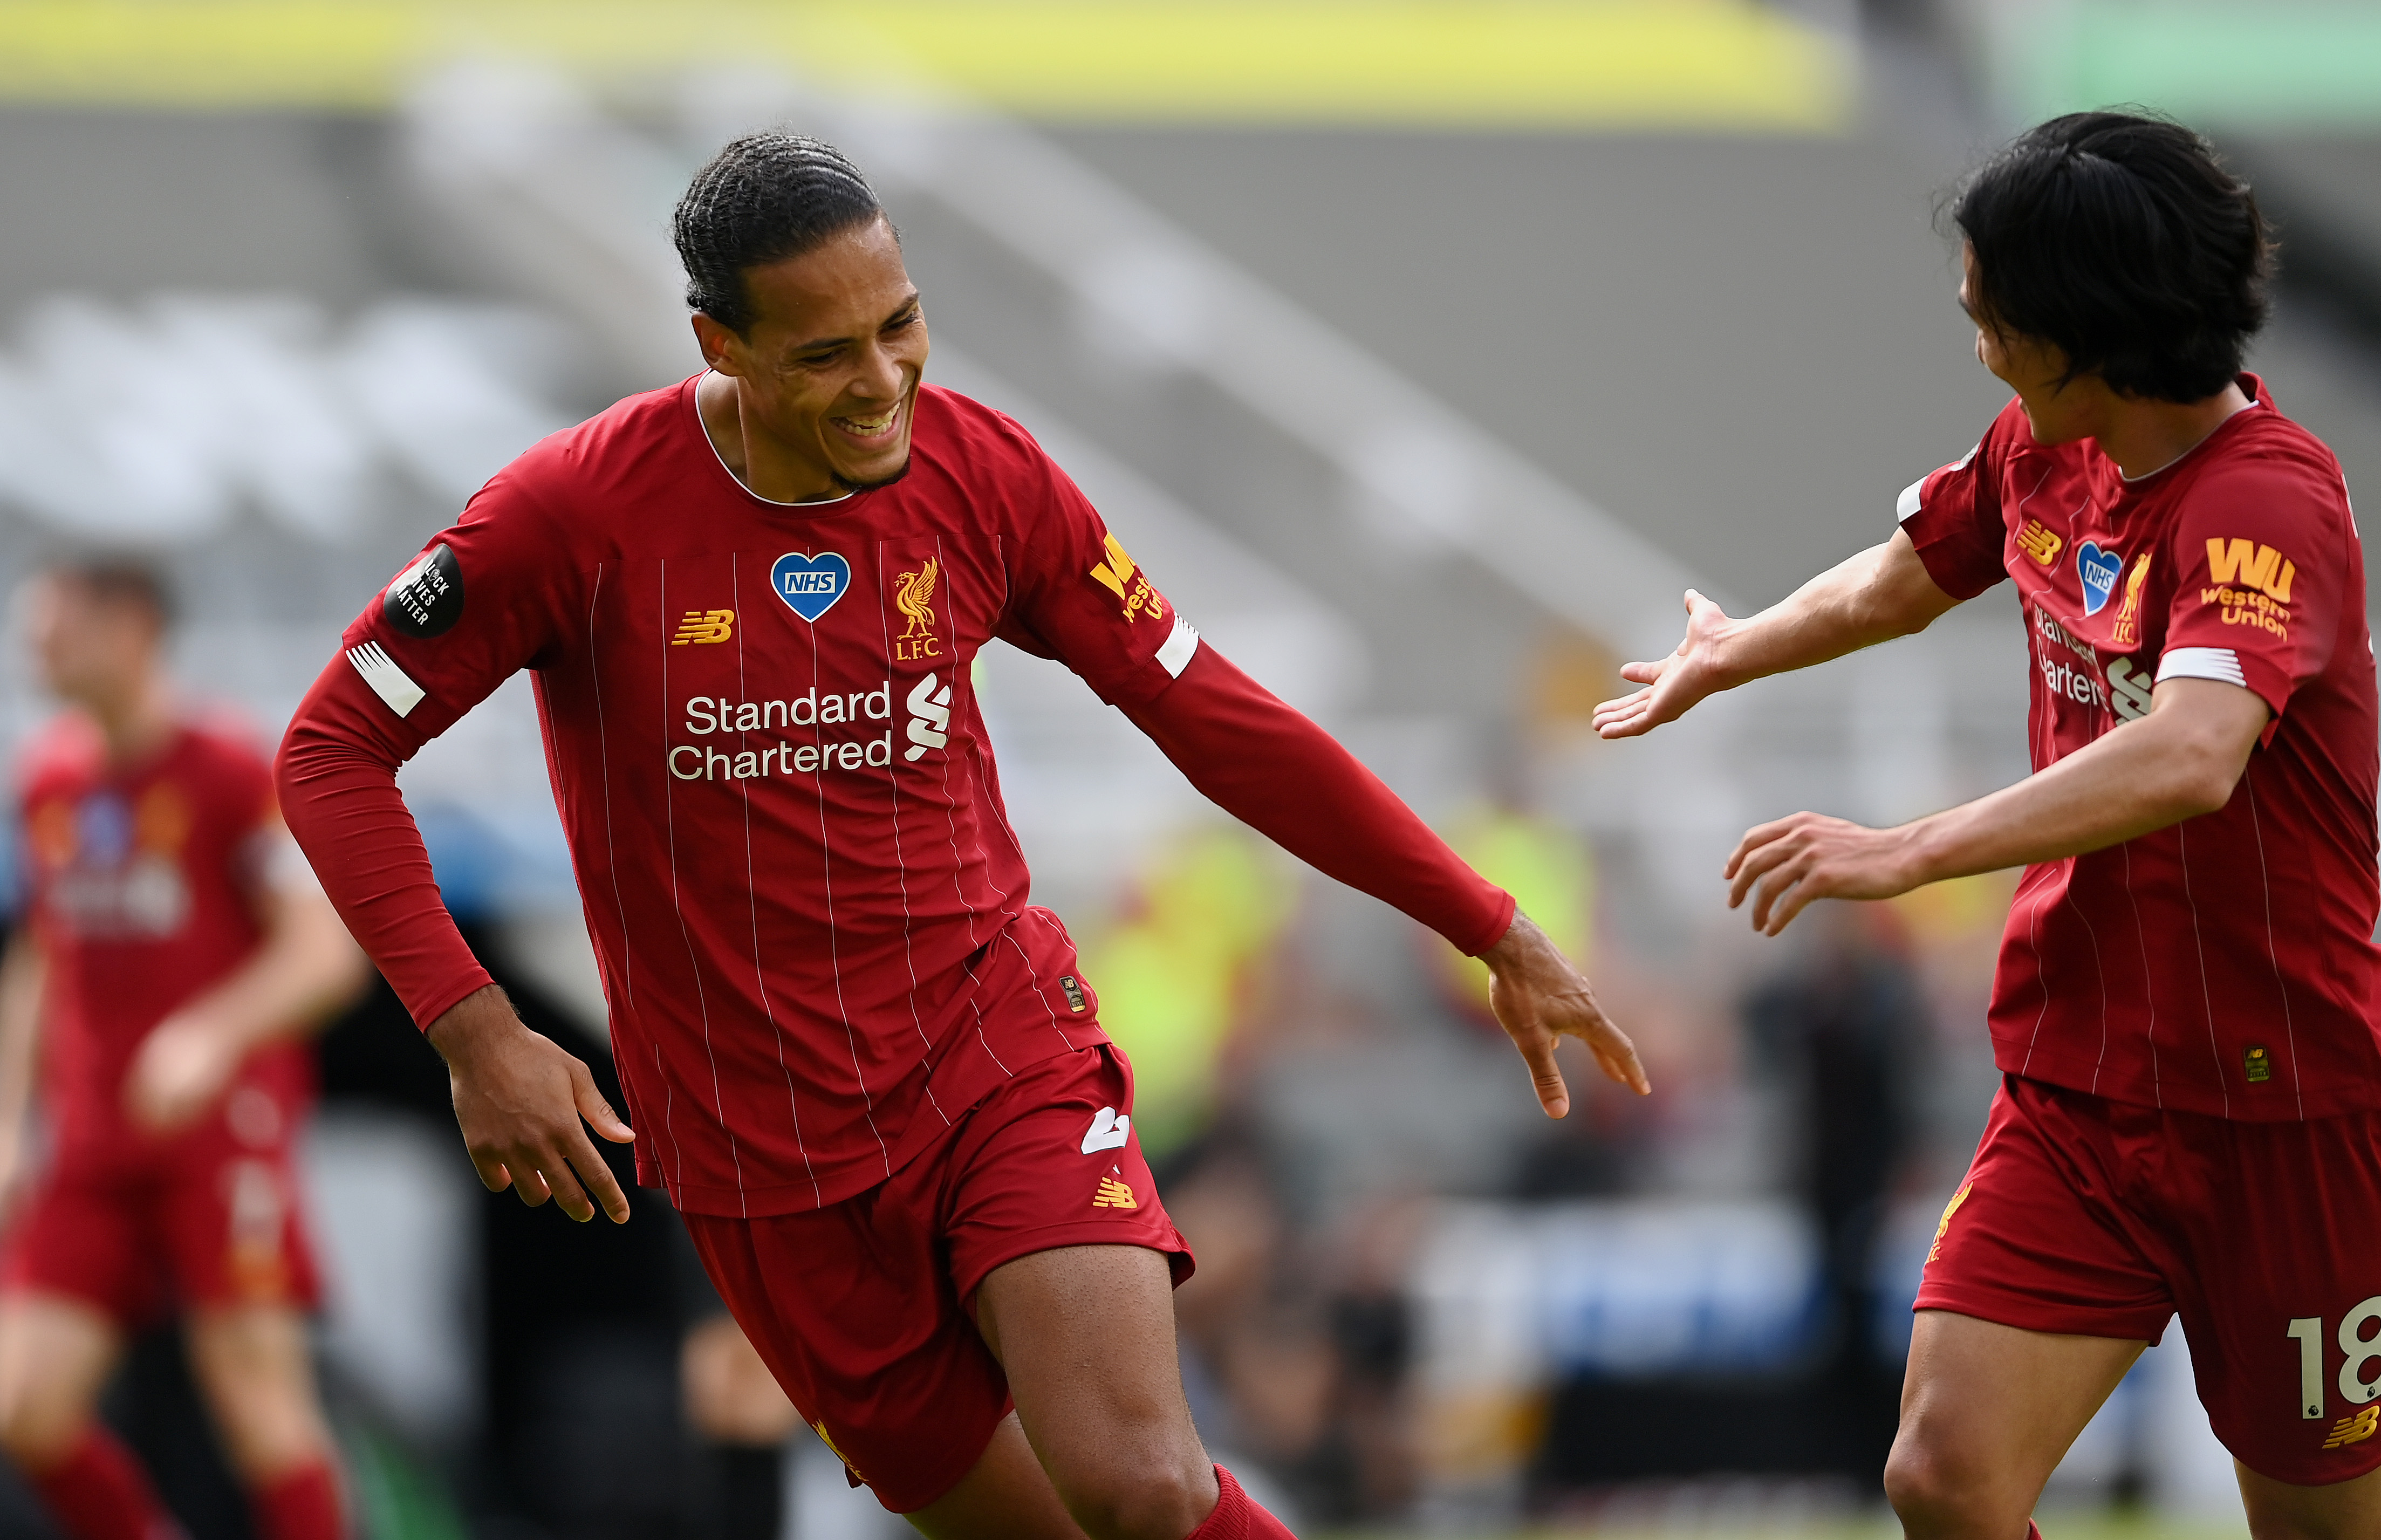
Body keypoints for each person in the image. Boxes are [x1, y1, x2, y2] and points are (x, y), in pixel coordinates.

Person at [277, 132, 1646, 1540]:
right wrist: (475, 1031)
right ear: (719, 344)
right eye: (824, 354)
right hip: (760, 1157)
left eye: (901, 324)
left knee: (1139, 1486)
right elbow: (329, 750)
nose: (881, 382)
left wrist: (1485, 921)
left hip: (989, 1057)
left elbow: (1211, 714)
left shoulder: (986, 478)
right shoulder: (570, 517)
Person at [1593, 111, 2381, 1536]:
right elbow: (1908, 572)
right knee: (1943, 1477)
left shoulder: (2264, 507)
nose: (1981, 341)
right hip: (2084, 1093)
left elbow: (2194, 753)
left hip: (2296, 1114)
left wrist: (1907, 848)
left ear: (2086, 335)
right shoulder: (2044, 448)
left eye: (1994, 315)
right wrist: (1735, 649)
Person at [0, 559, 369, 1540]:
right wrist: (8, 1120)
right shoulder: (45, 777)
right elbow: (44, 952)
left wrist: (210, 1033)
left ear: (130, 631)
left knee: (259, 1409)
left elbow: (326, 955)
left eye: (56, 622)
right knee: (25, 1410)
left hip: (218, 1131)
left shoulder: (230, 768)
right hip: (90, 1140)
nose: (34, 641)